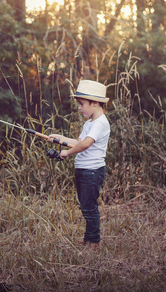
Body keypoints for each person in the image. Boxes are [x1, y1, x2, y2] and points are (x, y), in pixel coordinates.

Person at [47, 80, 110, 249]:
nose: (79, 108)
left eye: (82, 104)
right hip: (83, 170)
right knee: (85, 206)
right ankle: (89, 238)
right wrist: (59, 139)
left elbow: (87, 144)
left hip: (92, 172)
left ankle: (94, 241)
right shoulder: (89, 123)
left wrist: (67, 152)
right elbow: (78, 142)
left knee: (89, 207)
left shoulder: (100, 123)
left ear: (95, 103)